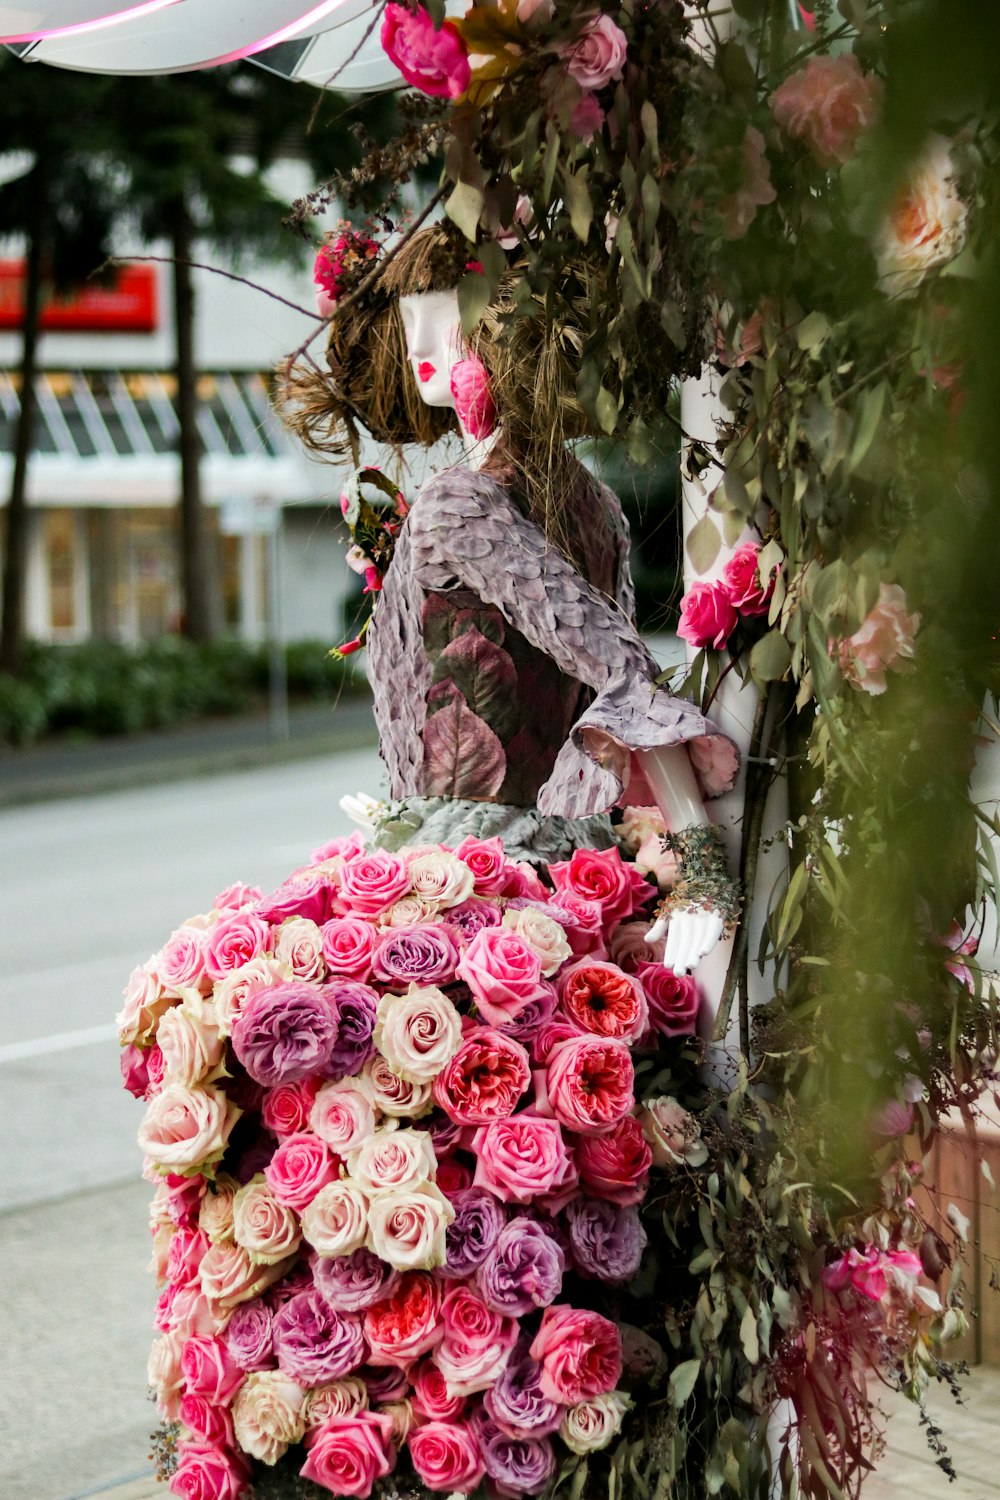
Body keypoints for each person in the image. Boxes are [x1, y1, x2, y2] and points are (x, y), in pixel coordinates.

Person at [289, 223, 739, 976]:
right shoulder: (594, 501)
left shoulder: (463, 502)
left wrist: (700, 872)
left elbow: (620, 671)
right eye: (415, 315)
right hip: (563, 870)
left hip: (471, 882)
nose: (424, 336)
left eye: (448, 313)